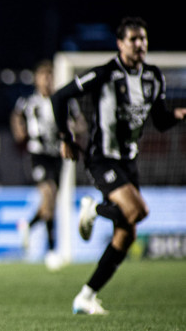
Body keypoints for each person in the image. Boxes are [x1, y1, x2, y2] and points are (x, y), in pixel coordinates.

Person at [51, 17, 185, 315]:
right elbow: (60, 96)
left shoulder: (153, 77)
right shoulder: (106, 73)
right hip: (103, 158)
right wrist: (66, 137)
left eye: (143, 39)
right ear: (120, 44)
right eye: (133, 39)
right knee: (139, 211)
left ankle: (86, 296)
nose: (140, 45)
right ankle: (93, 209)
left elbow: (160, 122)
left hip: (129, 160)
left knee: (127, 233)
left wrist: (177, 114)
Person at [10, 61, 84, 270]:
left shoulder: (65, 101)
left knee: (50, 204)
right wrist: (19, 131)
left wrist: (73, 129)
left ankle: (28, 225)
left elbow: (81, 123)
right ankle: (51, 251)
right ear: (36, 79)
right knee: (49, 194)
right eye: (43, 76)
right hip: (37, 154)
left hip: (58, 154)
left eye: (50, 76)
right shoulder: (28, 102)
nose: (46, 80)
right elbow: (16, 116)